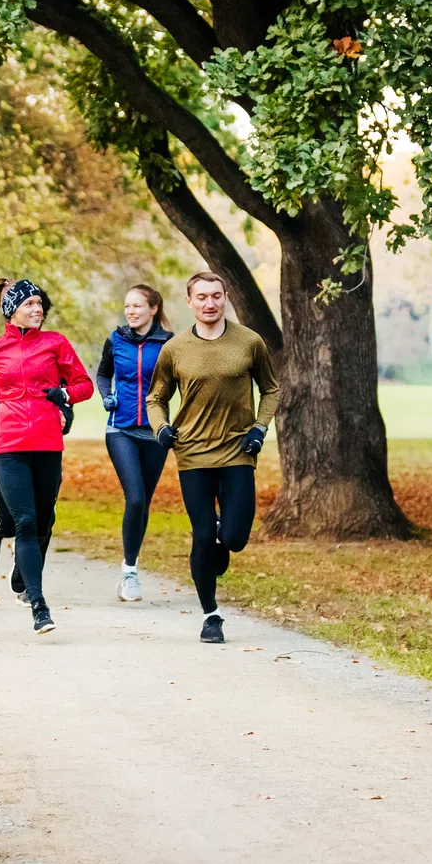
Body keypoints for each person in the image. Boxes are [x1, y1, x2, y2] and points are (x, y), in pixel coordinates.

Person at [149, 271, 280, 644]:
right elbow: (156, 397)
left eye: (216, 296)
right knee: (203, 536)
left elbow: (271, 389)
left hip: (238, 450)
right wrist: (161, 429)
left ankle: (225, 537)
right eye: (202, 297)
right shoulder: (174, 349)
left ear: (226, 299)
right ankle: (211, 615)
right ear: (189, 302)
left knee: (235, 538)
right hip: (192, 453)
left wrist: (259, 428)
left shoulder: (250, 342)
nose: (210, 303)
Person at [0, 279, 93, 634]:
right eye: (30, 304)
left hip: (48, 442)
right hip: (9, 445)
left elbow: (85, 385)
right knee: (25, 522)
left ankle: (23, 572)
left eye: (40, 304)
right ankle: (38, 605)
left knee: (45, 519)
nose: (37, 309)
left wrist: (63, 395)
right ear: (12, 309)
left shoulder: (56, 343)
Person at [96, 284, 174, 602]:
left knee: (145, 503)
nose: (130, 311)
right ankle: (129, 573)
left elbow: (182, 381)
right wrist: (107, 395)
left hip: (155, 433)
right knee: (136, 499)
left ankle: (131, 566)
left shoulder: (169, 344)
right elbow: (102, 374)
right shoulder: (115, 340)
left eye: (137, 306)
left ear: (153, 309)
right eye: (127, 306)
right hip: (121, 429)